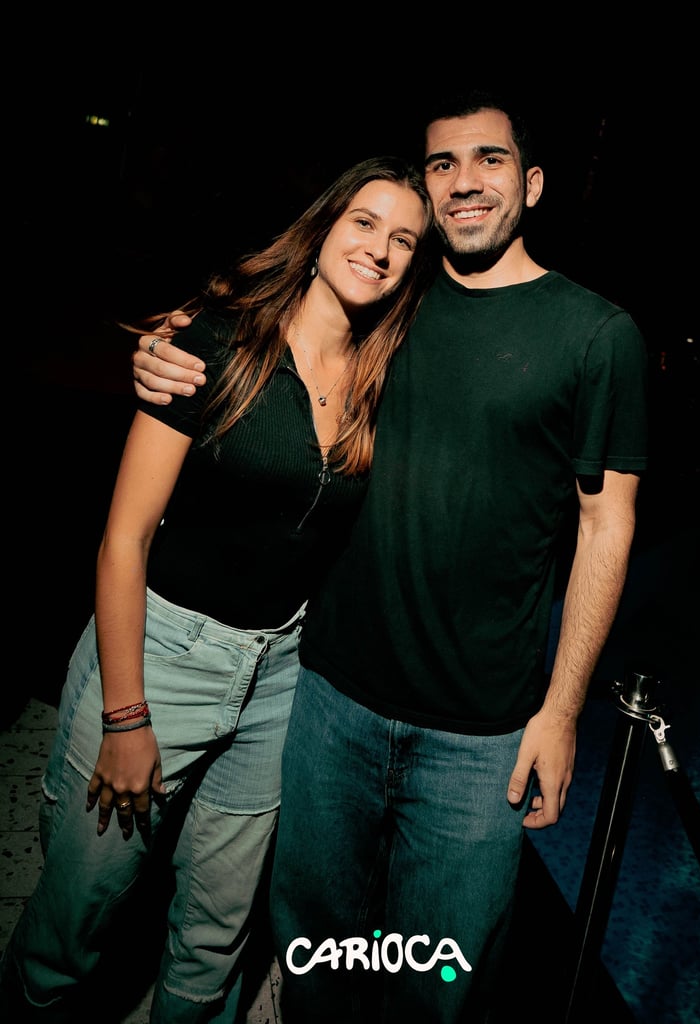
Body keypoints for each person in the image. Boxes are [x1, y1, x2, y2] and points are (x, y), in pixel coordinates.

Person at [129, 88, 650, 1023]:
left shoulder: (596, 336)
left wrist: (563, 710)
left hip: (480, 736)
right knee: (313, 953)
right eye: (444, 163)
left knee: (439, 981)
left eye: (489, 160)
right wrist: (176, 343)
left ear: (532, 184)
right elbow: (275, 317)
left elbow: (606, 526)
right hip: (329, 701)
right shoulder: (391, 301)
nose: (464, 182)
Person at [0, 155, 434, 1023]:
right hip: (160, 653)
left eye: (403, 240)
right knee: (76, 917)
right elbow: (123, 541)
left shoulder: (387, 378)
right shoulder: (216, 344)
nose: (379, 249)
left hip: (281, 676)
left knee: (217, 931)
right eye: (363, 222)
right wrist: (127, 716)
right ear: (323, 229)